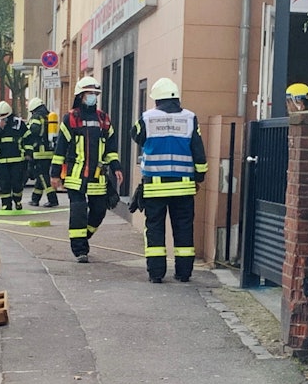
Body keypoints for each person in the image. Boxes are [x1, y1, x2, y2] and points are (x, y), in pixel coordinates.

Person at [130, 77, 208, 283]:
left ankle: (156, 273)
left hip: (155, 187)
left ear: (156, 99)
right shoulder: (190, 118)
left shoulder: (147, 118)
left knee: (155, 229)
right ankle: (184, 273)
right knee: (184, 228)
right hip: (184, 186)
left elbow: (135, 136)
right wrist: (199, 177)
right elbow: (198, 152)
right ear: (176, 98)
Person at [51, 76, 123, 263]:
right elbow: (60, 149)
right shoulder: (71, 119)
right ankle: (80, 250)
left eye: (95, 93)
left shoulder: (103, 119)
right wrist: (55, 174)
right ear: (80, 95)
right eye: (89, 93)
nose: (92, 96)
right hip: (76, 176)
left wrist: (116, 166)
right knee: (78, 212)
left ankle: (84, 237)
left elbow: (111, 148)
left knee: (99, 211)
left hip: (98, 177)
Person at [0, 101, 30, 211]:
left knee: (17, 183)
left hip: (17, 159)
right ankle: (6, 204)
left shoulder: (19, 124)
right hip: (1, 160)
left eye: (3, 117)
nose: (1, 120)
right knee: (4, 184)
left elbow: (28, 138)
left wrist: (28, 152)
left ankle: (17, 201)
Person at [25, 96, 58, 208]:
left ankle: (52, 199)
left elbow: (33, 131)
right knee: (40, 176)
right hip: (48, 151)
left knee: (43, 176)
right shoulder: (47, 116)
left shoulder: (36, 117)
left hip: (39, 152)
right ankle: (35, 199)